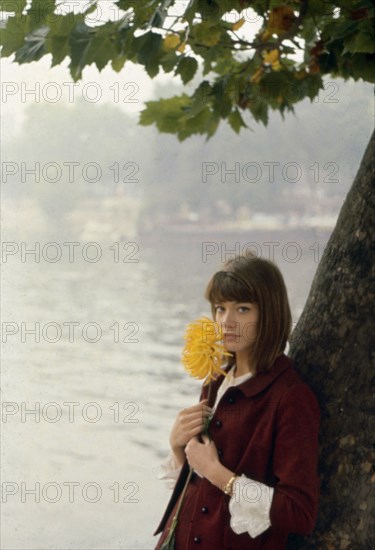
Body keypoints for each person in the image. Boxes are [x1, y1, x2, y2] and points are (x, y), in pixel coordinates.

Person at [154, 255, 320, 549]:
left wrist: (220, 474)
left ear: (267, 314)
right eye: (220, 309)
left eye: (242, 309)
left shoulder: (290, 397)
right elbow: (200, 480)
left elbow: (299, 512)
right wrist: (178, 447)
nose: (227, 322)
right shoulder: (216, 377)